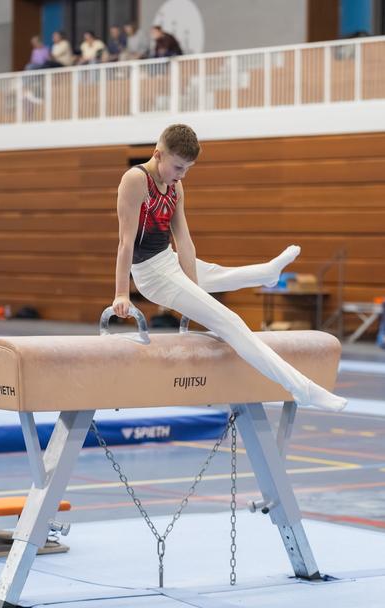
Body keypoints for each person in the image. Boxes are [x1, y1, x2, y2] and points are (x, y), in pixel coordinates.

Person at [112, 124, 347, 412]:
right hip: (151, 275)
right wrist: (122, 294)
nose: (182, 175)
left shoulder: (175, 185)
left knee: (220, 273)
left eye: (187, 169)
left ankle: (266, 274)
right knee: (232, 323)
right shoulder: (135, 180)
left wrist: (194, 289)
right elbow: (125, 243)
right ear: (157, 154)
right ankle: (302, 388)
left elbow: (184, 241)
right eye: (177, 167)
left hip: (168, 261)